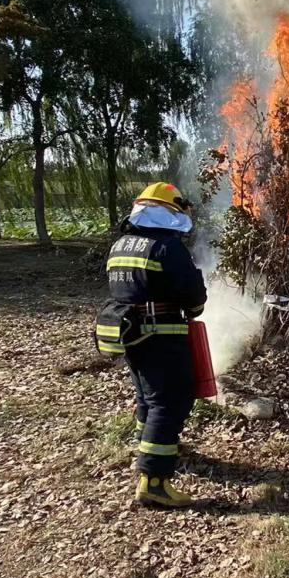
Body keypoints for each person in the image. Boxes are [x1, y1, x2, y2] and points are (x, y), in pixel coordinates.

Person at [94, 183, 207, 508]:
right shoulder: (165, 247)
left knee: (148, 397)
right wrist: (196, 307)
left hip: (130, 335)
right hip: (162, 337)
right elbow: (191, 293)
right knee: (169, 402)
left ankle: (152, 445)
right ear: (165, 212)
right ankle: (154, 481)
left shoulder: (120, 245)